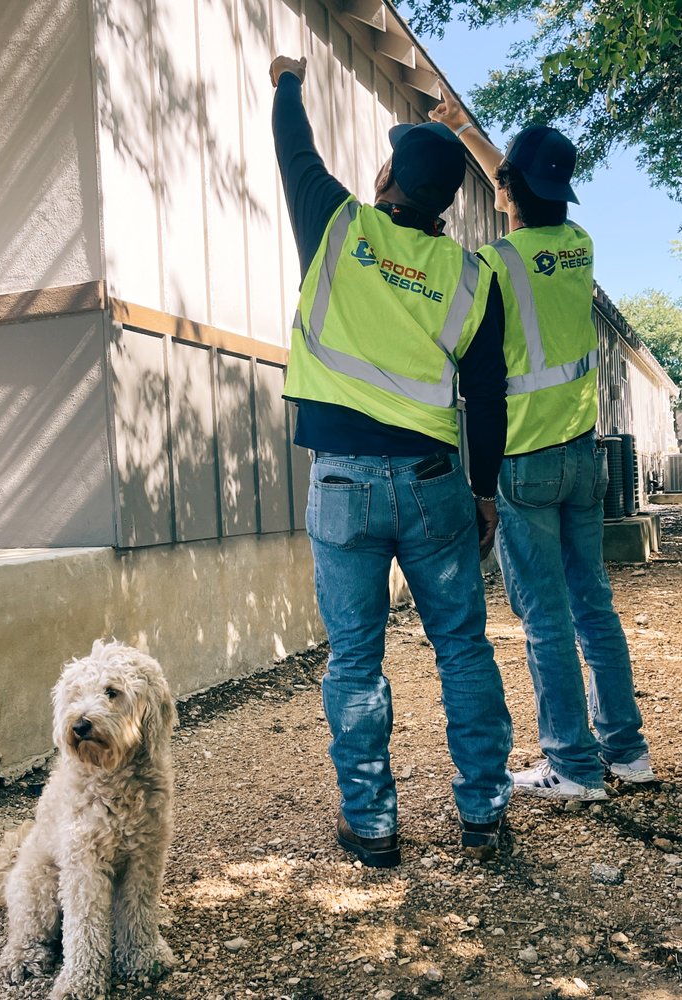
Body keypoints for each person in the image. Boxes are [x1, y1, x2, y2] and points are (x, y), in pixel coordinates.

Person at [269, 54, 513, 867]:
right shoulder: (472, 278)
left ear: (386, 180)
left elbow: (295, 152)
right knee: (464, 648)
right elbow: (486, 395)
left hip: (343, 483)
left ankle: (372, 826)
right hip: (437, 487)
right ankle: (484, 816)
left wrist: (288, 82)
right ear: (444, 204)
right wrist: (484, 492)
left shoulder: (338, 228)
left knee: (356, 660)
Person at [430, 79, 654, 801]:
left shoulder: (495, 263)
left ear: (509, 190)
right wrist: (467, 130)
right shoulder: (579, 247)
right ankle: (627, 753)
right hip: (584, 458)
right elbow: (519, 183)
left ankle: (574, 767)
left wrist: (480, 481)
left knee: (546, 620)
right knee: (594, 607)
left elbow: (481, 377)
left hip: (525, 464)